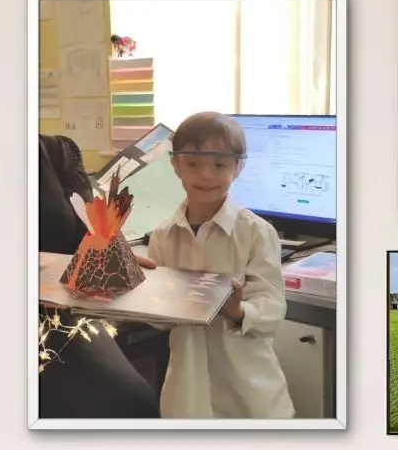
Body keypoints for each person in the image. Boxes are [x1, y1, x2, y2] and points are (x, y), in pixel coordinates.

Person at [145, 112, 295, 418]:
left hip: (250, 395)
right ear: (175, 165)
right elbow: (159, 321)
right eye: (193, 164)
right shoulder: (163, 236)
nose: (206, 175)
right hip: (188, 395)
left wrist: (238, 312)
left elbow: (272, 310)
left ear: (238, 167)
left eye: (219, 165)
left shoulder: (256, 233)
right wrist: (140, 288)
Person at [34, 134, 158, 419]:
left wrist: (106, 252)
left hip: (51, 314)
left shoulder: (55, 153)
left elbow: (79, 233)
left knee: (127, 402)